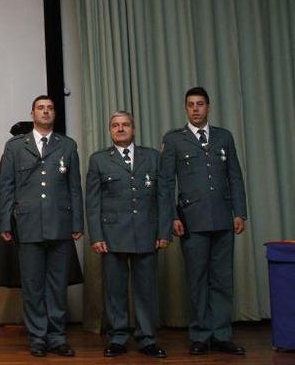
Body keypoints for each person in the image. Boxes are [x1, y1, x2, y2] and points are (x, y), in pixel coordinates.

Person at [159, 86, 247, 355]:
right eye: (190, 104)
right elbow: (165, 183)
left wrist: (240, 212)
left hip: (222, 218)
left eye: (200, 104)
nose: (195, 109)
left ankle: (221, 335)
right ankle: (200, 334)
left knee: (222, 280)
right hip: (192, 220)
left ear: (208, 107)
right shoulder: (174, 139)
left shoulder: (224, 137)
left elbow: (235, 176)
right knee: (197, 279)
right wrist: (172, 216)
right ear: (185, 108)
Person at [0, 95, 83, 357]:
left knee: (57, 285)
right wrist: (4, 222)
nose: (45, 112)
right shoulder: (15, 147)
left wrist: (77, 221)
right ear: (32, 113)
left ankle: (57, 336)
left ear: (54, 114)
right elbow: (6, 187)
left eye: (49, 108)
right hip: (27, 224)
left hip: (59, 223)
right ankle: (37, 337)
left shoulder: (67, 146)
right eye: (40, 108)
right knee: (33, 285)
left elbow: (74, 188)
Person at [85, 111, 170, 359]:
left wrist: (164, 230)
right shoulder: (99, 160)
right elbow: (93, 202)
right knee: (115, 290)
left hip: (146, 232)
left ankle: (147, 338)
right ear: (110, 130)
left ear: (133, 128)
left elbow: (163, 196)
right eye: (115, 125)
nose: (120, 129)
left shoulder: (153, 157)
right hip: (112, 236)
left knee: (146, 290)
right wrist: (96, 236)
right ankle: (118, 337)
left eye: (125, 125)